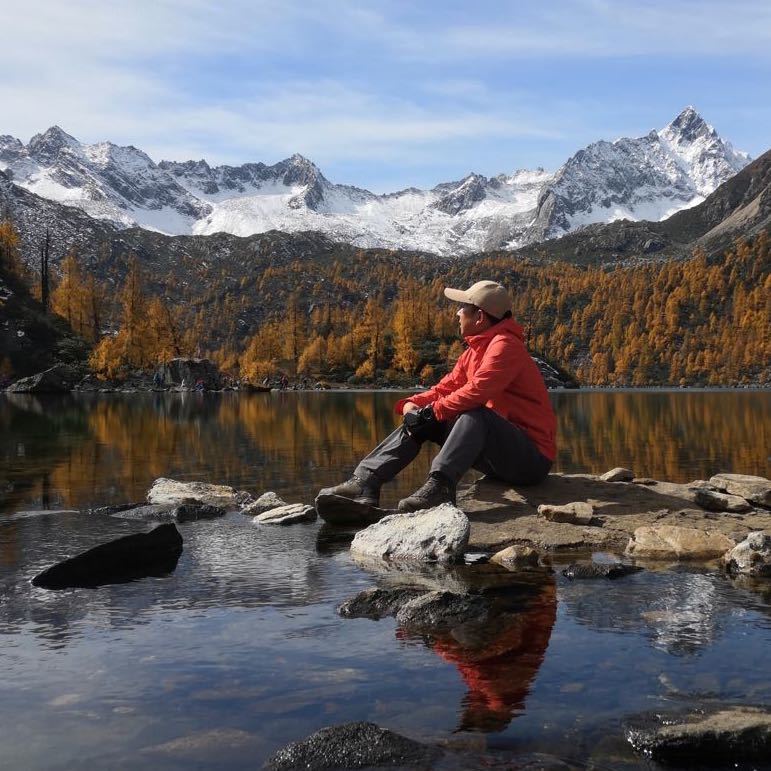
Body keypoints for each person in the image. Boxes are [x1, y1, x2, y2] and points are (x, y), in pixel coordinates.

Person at [318, 280, 556, 512]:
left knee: (475, 414)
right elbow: (445, 388)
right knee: (424, 421)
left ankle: (440, 487)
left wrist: (431, 412)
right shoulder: (473, 352)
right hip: (501, 457)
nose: (457, 314)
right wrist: (413, 405)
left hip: (531, 461)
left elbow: (477, 392)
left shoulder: (505, 346)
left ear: (480, 317)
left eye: (462, 308)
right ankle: (365, 483)